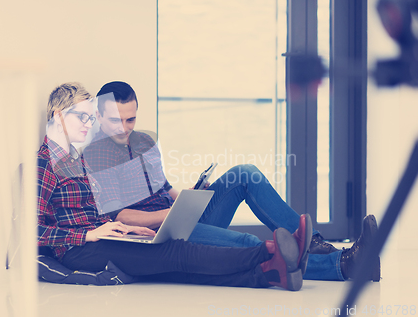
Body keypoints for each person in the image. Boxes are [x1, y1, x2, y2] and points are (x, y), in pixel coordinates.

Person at [83, 81, 381, 282]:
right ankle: (344, 265)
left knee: (245, 173)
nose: (124, 128)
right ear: (98, 115)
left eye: (130, 119)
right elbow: (118, 217)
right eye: (115, 121)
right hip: (158, 235)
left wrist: (186, 196)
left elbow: (163, 189)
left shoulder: (143, 142)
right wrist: (172, 215)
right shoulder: (95, 156)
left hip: (179, 217)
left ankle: (315, 244)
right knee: (247, 243)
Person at [36, 82, 313, 291]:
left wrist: (186, 202)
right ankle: (275, 252)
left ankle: (272, 270)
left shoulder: (80, 158)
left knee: (242, 176)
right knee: (177, 254)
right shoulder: (52, 162)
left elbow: (102, 211)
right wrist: (91, 234)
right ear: (59, 116)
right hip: (84, 247)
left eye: (88, 118)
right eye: (81, 117)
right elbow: (34, 231)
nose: (88, 125)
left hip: (120, 231)